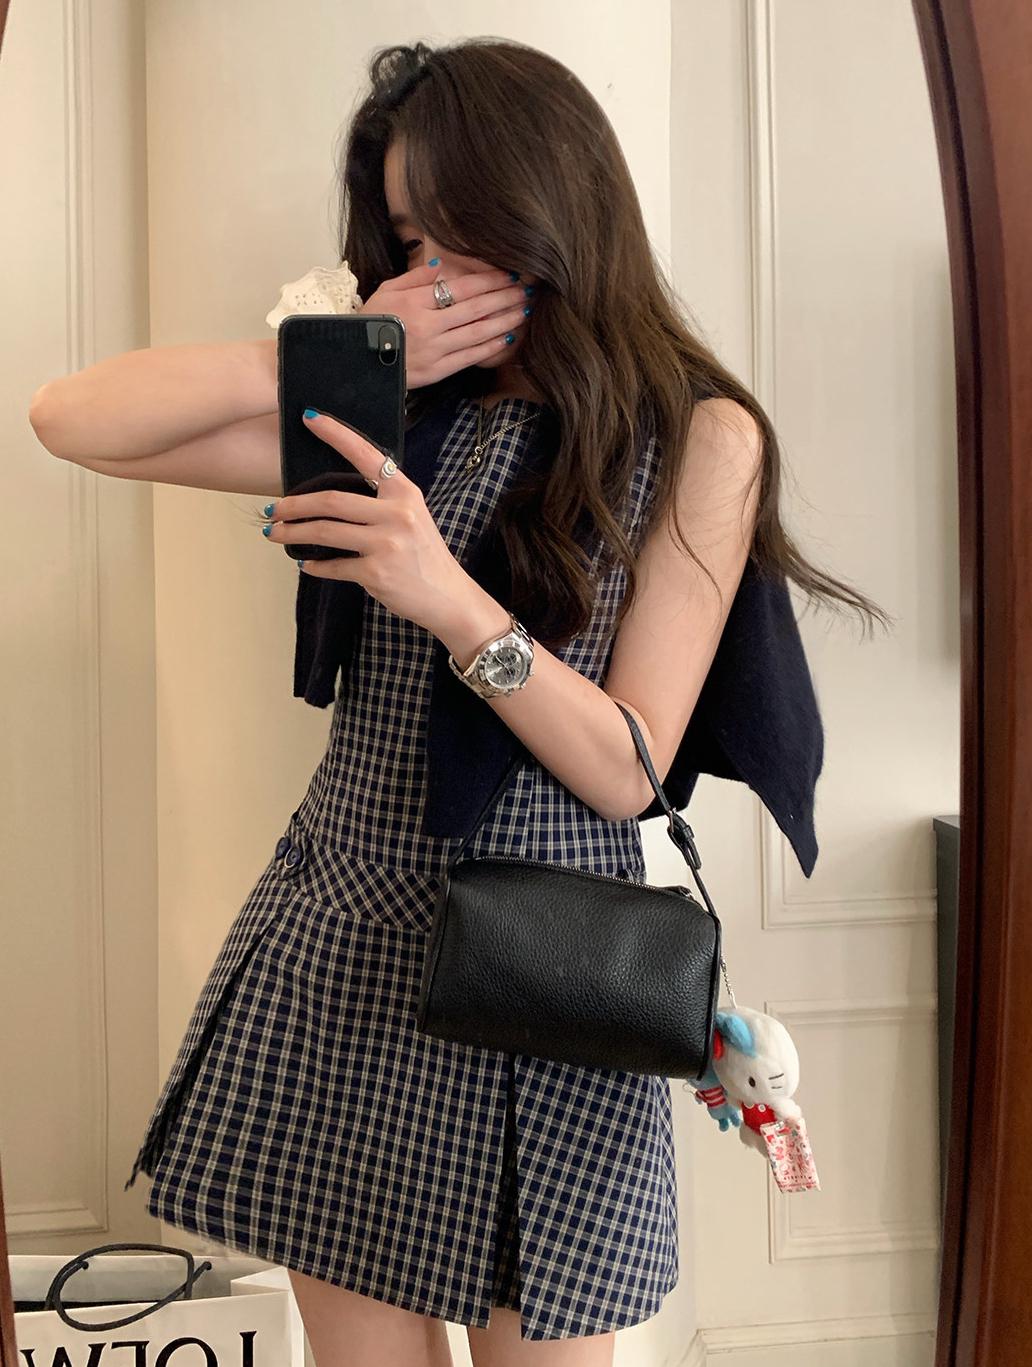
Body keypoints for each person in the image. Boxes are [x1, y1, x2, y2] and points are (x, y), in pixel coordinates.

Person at [28, 37, 886, 1367]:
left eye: (459, 237)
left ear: (548, 211)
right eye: (411, 241)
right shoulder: (388, 408)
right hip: (347, 942)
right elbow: (71, 418)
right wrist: (339, 351)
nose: (432, 276)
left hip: (547, 973)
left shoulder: (696, 436)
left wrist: (448, 598)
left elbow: (628, 769)